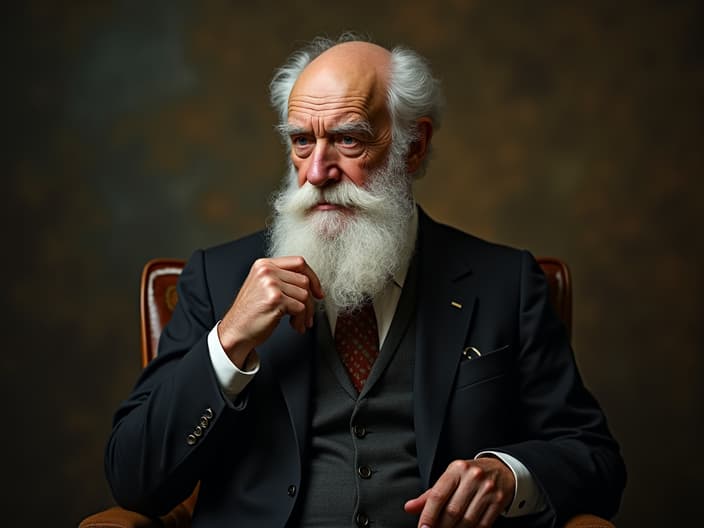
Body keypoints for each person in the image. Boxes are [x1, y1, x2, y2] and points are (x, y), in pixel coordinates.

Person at [105, 34, 626, 528]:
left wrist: (507, 476)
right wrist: (229, 340)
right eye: (302, 142)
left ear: (414, 146)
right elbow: (135, 480)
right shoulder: (217, 278)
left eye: (348, 140)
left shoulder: (504, 282)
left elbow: (595, 461)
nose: (317, 171)